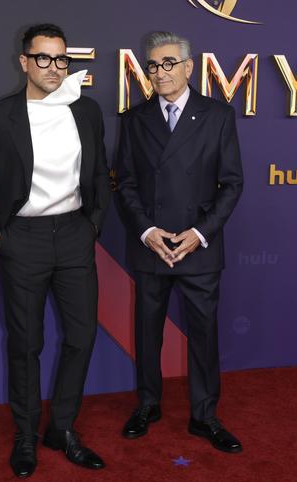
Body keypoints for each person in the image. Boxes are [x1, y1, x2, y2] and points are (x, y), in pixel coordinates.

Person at [0, 23, 110, 478]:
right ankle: (25, 435)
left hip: (75, 236)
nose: (53, 67)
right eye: (43, 58)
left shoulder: (87, 111)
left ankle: (61, 429)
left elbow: (101, 174)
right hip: (21, 239)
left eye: (61, 59)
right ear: (24, 61)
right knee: (26, 345)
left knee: (82, 338)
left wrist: (93, 225)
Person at [115, 31, 244, 453]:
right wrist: (149, 232)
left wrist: (201, 233)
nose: (161, 72)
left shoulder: (217, 115)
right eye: (153, 65)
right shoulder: (135, 119)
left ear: (189, 68)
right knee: (148, 332)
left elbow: (232, 184)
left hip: (198, 246)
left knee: (204, 335)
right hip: (152, 245)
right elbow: (127, 185)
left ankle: (205, 415)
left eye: (170, 63)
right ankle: (148, 404)